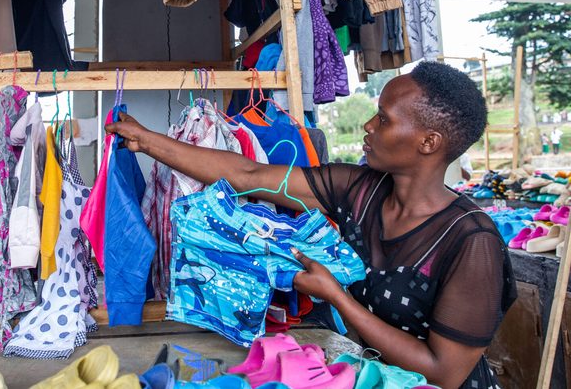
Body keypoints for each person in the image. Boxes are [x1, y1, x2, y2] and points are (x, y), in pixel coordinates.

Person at [106, 61, 514, 389]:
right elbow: (248, 175)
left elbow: (445, 372)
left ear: (429, 142)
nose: (369, 126)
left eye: (384, 119)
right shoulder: (360, 189)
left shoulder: (471, 241)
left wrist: (337, 296)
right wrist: (148, 141)